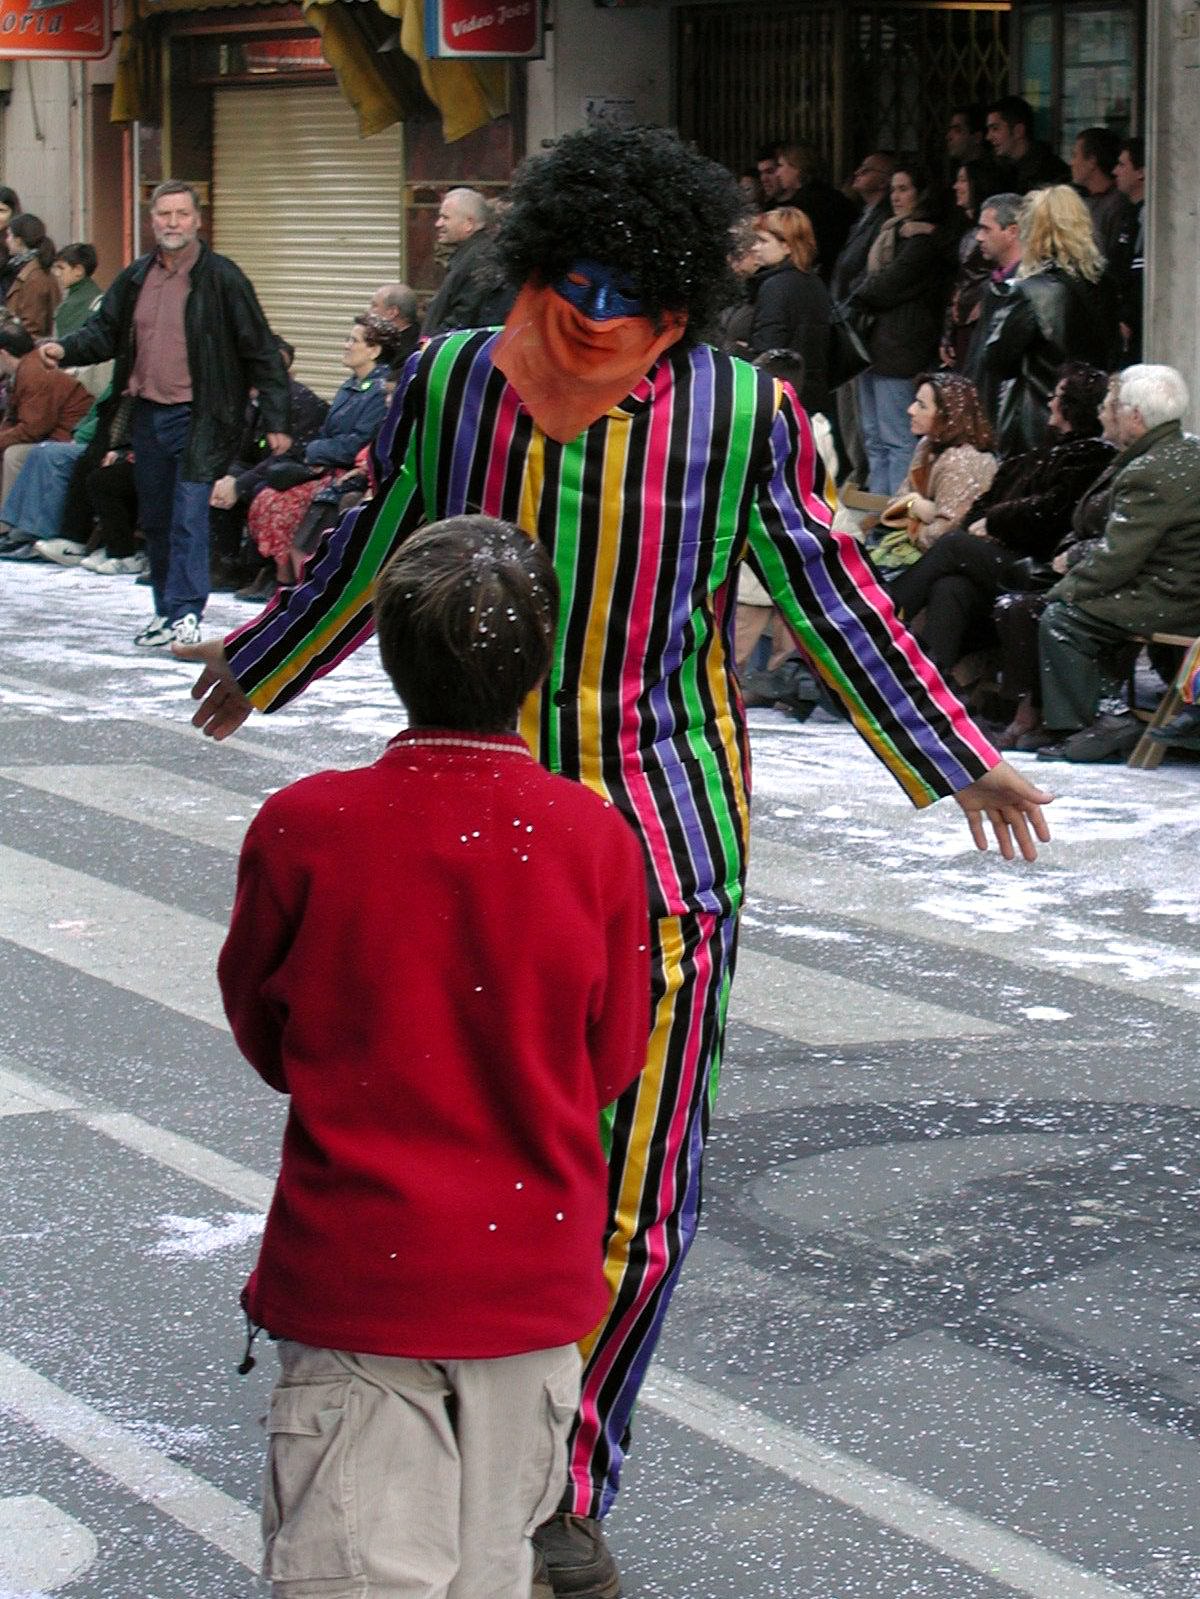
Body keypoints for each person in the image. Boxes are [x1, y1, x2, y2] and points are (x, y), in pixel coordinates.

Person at [176, 125, 1051, 1599]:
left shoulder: (745, 413)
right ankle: (418, 1409)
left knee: (636, 1188)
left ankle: (559, 1483)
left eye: (625, 296)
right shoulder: (453, 379)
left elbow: (827, 584)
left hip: (659, 840)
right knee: (441, 1137)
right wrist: (268, 657)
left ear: (676, 305)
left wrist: (954, 745)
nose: (588, 318)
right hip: (462, 826)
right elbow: (382, 537)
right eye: (567, 284)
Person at [219, 514, 650, 1599]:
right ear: (539, 664)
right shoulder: (593, 836)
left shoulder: (308, 824)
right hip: (530, 1282)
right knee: (493, 1569)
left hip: (360, 1272)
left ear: (390, 653)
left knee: (354, 1569)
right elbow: (612, 1058)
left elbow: (265, 1031)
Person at [39, 179, 290, 648]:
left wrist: (277, 417)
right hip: (147, 415)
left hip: (202, 417)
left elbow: (259, 347)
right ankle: (164, 611)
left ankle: (187, 612)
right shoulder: (136, 277)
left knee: (189, 515)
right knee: (155, 518)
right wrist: (65, 349)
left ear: (198, 220)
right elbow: (104, 332)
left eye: (181, 214)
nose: (172, 223)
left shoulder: (223, 278)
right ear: (151, 220)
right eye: (163, 215)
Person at [889, 363, 1112, 680]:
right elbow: (985, 502)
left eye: (1056, 396)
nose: (1049, 402)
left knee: (954, 546)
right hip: (1009, 554)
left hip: (1042, 566)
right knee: (951, 587)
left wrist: (993, 522)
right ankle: (926, 684)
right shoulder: (1044, 451)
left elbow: (1050, 513)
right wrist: (980, 518)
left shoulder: (1088, 456)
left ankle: (877, 617)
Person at [1033, 365, 1200, 761]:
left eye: (1116, 407)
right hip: (1180, 585)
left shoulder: (1149, 470)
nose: (1107, 414)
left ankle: (1097, 723)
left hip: (1172, 596)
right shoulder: (1188, 451)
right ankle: (1105, 713)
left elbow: (1117, 558)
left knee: (1062, 618)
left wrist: (1063, 591)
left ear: (1135, 416)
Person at [247, 314, 398, 586]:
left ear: (374, 350)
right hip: (326, 467)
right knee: (267, 497)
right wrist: (319, 451)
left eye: (354, 340)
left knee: (282, 505)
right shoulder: (349, 386)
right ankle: (279, 574)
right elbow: (328, 433)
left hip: (349, 472)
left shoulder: (379, 392)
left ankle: (294, 579)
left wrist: (316, 450)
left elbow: (358, 443)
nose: (346, 345)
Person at [983, 185, 1119, 454]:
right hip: (1092, 418)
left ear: (1033, 232)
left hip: (1039, 421)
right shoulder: (1103, 284)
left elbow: (996, 358)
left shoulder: (1032, 291)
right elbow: (1112, 351)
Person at [849, 160, 951, 494]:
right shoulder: (889, 231)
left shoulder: (924, 240)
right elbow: (860, 279)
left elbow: (884, 285)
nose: (896, 196)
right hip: (874, 347)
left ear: (921, 194)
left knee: (897, 439)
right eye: (893, 189)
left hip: (900, 350)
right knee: (874, 438)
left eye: (904, 189)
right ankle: (878, 509)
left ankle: (895, 511)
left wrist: (858, 295)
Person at [868, 371, 996, 573]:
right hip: (925, 550)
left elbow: (943, 535)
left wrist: (913, 514)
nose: (910, 410)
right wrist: (916, 504)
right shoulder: (927, 445)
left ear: (948, 414)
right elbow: (897, 502)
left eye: (922, 405)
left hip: (955, 565)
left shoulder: (962, 461)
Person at [830, 151, 897, 486]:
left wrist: (853, 300)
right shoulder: (865, 215)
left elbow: (872, 276)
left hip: (868, 328)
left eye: (868, 169)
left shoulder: (885, 220)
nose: (857, 172)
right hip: (851, 321)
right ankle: (869, 487)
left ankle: (880, 492)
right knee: (866, 425)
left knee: (886, 431)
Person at [745, 207, 833, 415]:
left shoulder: (775, 286)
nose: (755, 248)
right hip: (811, 391)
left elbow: (768, 346)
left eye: (763, 241)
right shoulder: (815, 283)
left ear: (787, 245)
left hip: (780, 393)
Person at [963, 191, 1023, 418]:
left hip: (1005, 411)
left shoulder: (1026, 288)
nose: (979, 237)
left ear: (1012, 231)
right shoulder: (994, 284)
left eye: (986, 229)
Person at [423, 188, 513, 336]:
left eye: (445, 217)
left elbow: (464, 319)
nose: (438, 223)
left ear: (469, 224)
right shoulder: (470, 256)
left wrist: (432, 343)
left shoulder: (480, 260)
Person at [0, 326, 91, 471]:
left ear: (3, 353)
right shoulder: (28, 366)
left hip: (71, 435)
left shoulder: (33, 373)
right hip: (61, 431)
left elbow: (33, 430)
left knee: (14, 455)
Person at [941, 159, 1003, 370]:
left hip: (979, 326)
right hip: (963, 324)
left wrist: (984, 303)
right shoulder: (964, 228)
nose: (956, 186)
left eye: (962, 180)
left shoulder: (990, 237)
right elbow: (960, 285)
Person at [770, 142, 857, 283]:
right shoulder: (830, 196)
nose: (777, 173)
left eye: (781, 166)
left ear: (797, 168)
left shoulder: (805, 204)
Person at [985, 95, 1069, 193]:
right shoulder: (993, 170)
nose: (988, 137)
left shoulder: (1053, 175)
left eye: (995, 129)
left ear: (1018, 131)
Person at [1111, 138, 1145, 364]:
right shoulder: (1128, 214)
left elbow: (1139, 275)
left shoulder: (1146, 217)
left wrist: (1127, 318)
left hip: (1136, 330)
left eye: (1122, 165)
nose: (1115, 171)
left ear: (1141, 172)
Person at [1069, 126, 1125, 263]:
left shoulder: (1117, 205)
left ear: (1092, 161)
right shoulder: (1081, 201)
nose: (1071, 163)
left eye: (1075, 155)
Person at [4, 213, 59, 337]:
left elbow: (32, 326)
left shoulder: (35, 277)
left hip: (27, 347)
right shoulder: (27, 270)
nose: (6, 240)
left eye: (9, 235)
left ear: (18, 240)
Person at [51, 244, 104, 338]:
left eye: (61, 268)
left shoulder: (72, 305)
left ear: (79, 270)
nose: (57, 273)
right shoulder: (98, 296)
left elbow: (67, 342)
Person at [368, 280, 421, 375]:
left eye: (374, 306)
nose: (369, 312)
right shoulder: (384, 339)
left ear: (392, 312)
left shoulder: (409, 352)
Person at [945, 105, 986, 176]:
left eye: (957, 130)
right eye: (949, 130)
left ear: (977, 137)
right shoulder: (956, 172)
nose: (948, 137)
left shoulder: (987, 176)